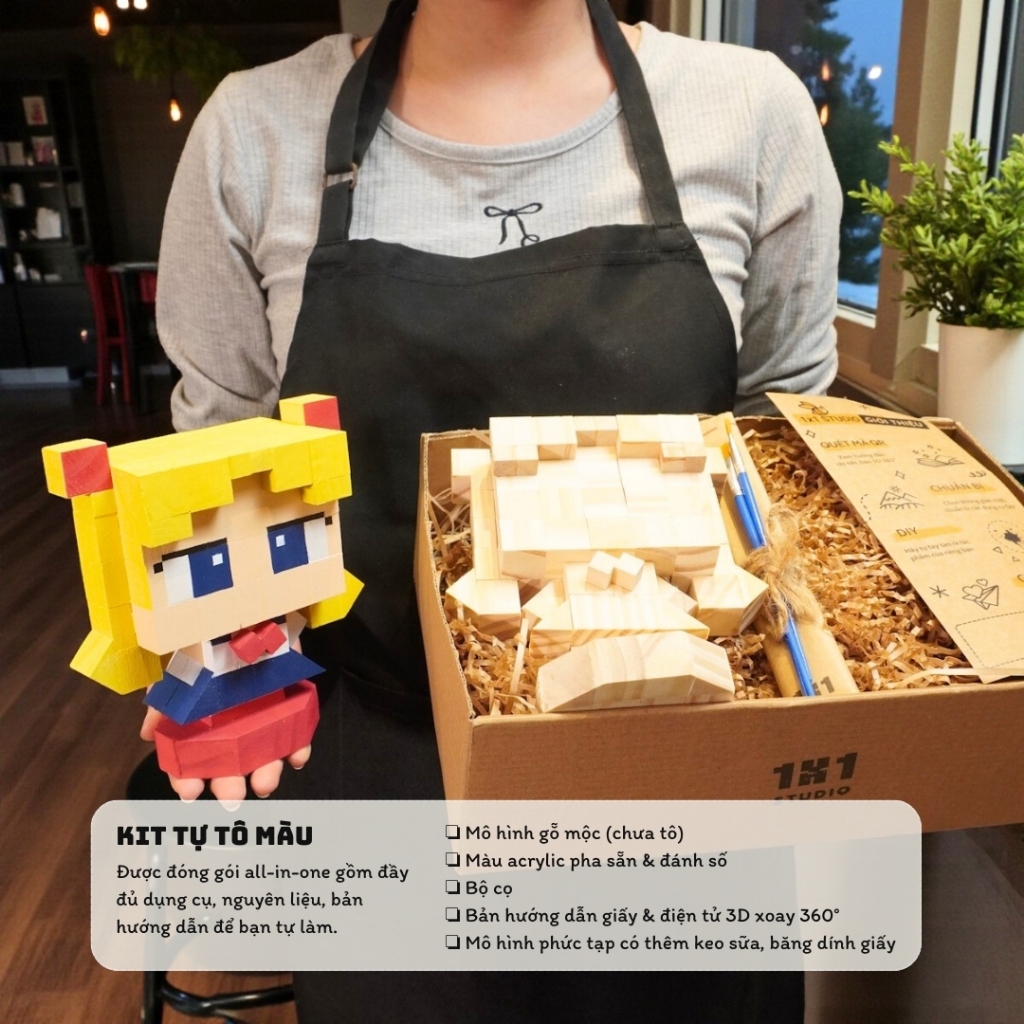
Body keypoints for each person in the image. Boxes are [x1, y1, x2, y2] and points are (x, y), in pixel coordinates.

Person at [154, 0, 839, 1018]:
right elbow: (218, 477)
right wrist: (224, 650)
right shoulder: (254, 134)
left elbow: (781, 464)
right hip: (389, 779)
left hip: (686, 782)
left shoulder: (748, 115)